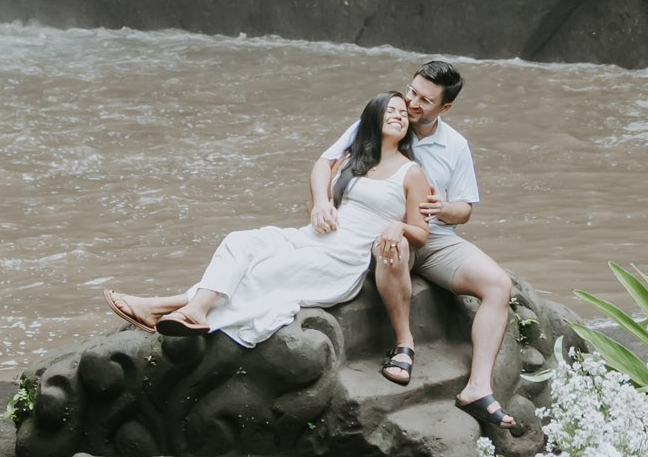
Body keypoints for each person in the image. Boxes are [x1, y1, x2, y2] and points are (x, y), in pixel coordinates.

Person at [105, 91, 430, 346]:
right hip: (312, 238)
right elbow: (320, 173)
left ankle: (166, 307)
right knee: (241, 241)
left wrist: (398, 226)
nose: (399, 117)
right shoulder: (351, 160)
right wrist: (322, 204)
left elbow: (420, 231)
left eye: (404, 114)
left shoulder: (411, 173)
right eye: (391, 111)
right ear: (374, 118)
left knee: (265, 272)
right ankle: (193, 310)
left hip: (345, 258)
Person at [310, 58, 524, 436]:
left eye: (425, 101)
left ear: (445, 108)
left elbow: (465, 210)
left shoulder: (455, 145)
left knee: (498, 285)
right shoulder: (383, 119)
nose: (411, 103)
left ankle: (477, 387)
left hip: (436, 238)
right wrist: (322, 202)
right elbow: (326, 163)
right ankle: (403, 345)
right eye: (411, 92)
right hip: (387, 232)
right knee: (390, 248)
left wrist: (444, 208)